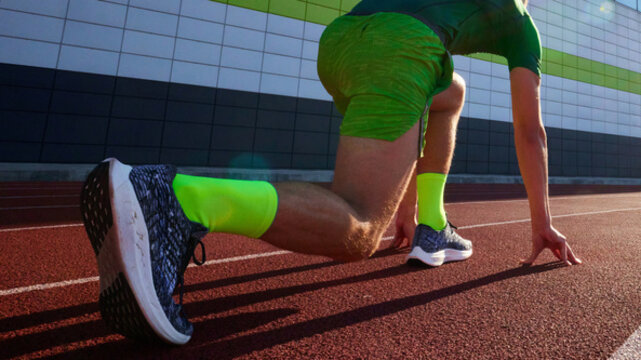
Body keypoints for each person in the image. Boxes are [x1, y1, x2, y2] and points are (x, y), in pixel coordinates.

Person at [79, 0, 581, 345]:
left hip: (341, 43)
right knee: (360, 227)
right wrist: (541, 222)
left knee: (449, 90)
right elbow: (530, 132)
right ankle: (177, 198)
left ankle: (431, 223)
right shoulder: (519, 19)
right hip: (399, 49)